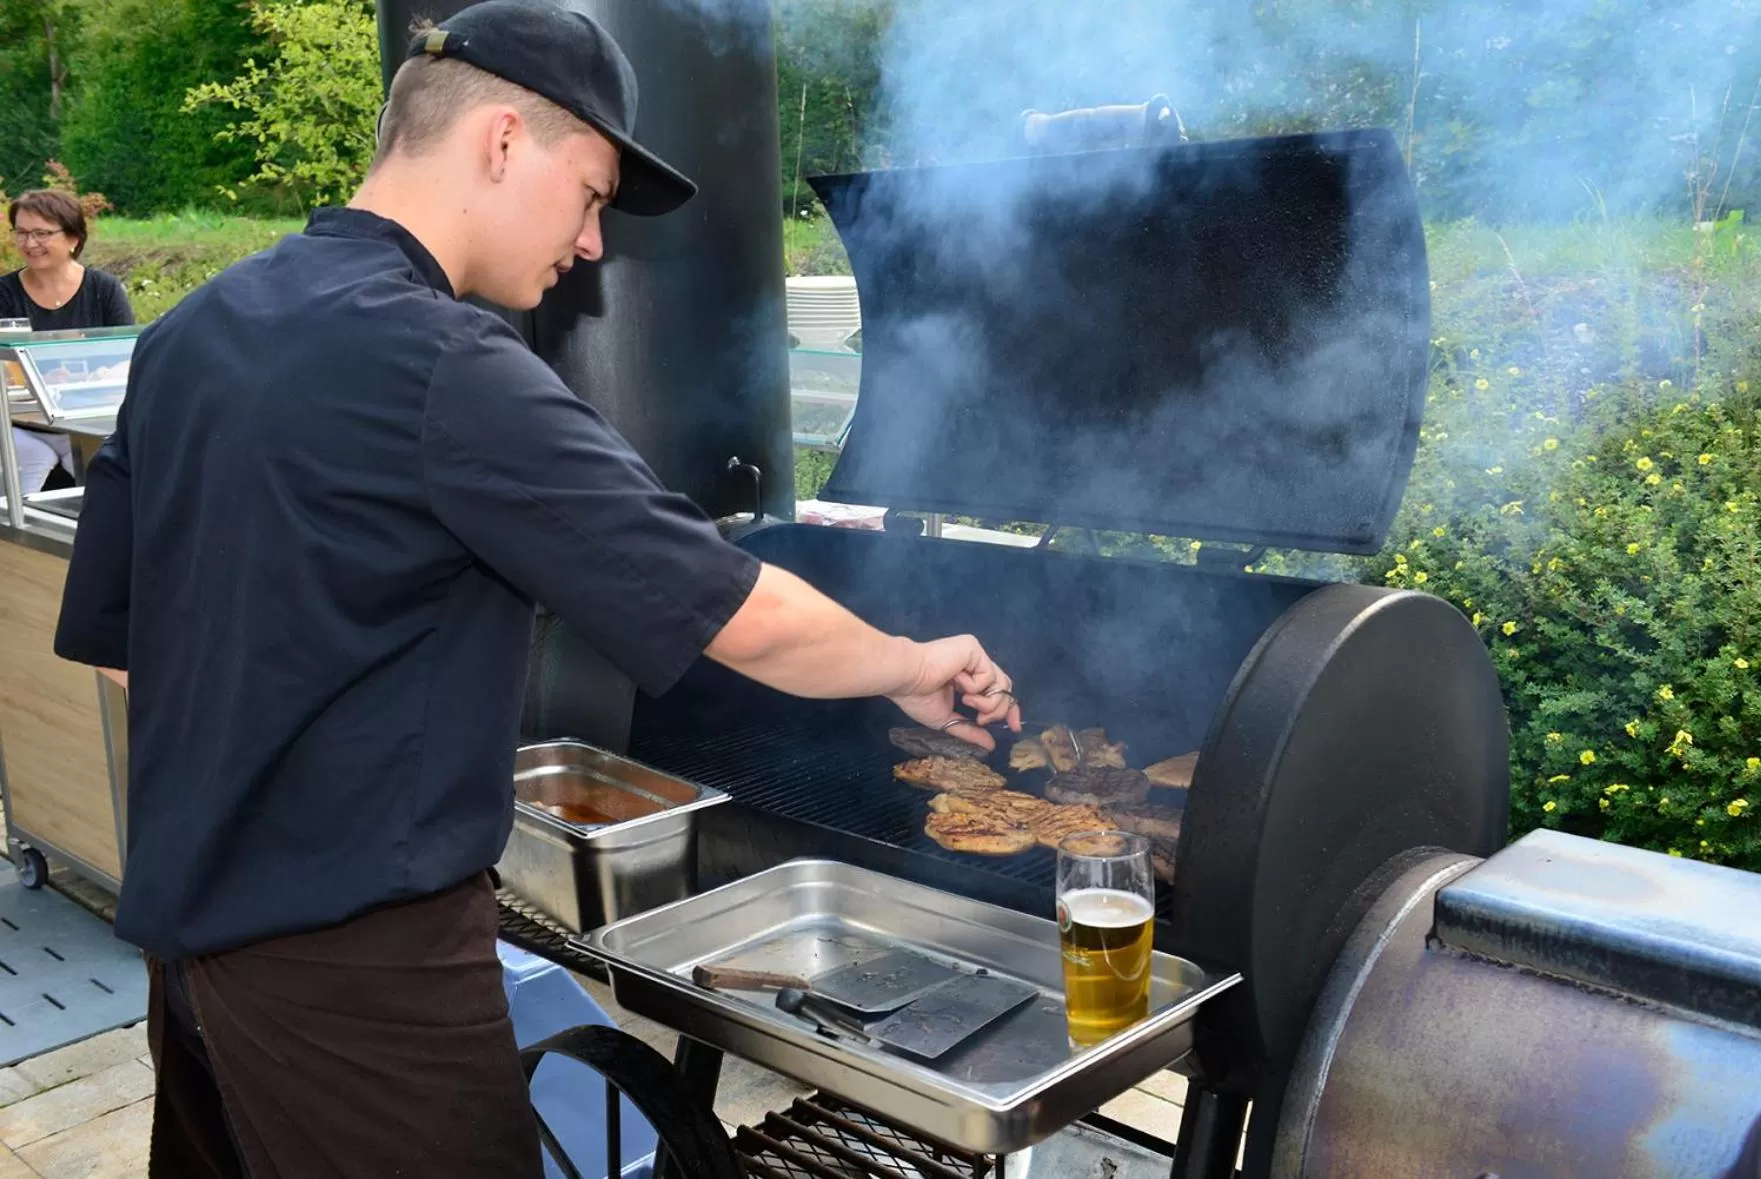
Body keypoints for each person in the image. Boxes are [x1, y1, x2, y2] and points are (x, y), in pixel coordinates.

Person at [52, 1, 1021, 1176]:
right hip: (366, 988)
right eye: (592, 193)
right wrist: (916, 665)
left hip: (191, 955)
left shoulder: (191, 333)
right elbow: (735, 610)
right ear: (503, 142)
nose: (592, 243)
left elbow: (125, 649)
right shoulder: (446, 365)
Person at [2, 189, 135, 497]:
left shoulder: (104, 288)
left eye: (41, 234)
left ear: (73, 238)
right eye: (21, 233)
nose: (29, 243)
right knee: (34, 457)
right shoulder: (4, 293)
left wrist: (102, 375)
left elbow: (129, 353)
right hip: (18, 424)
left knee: (112, 475)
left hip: (86, 420)